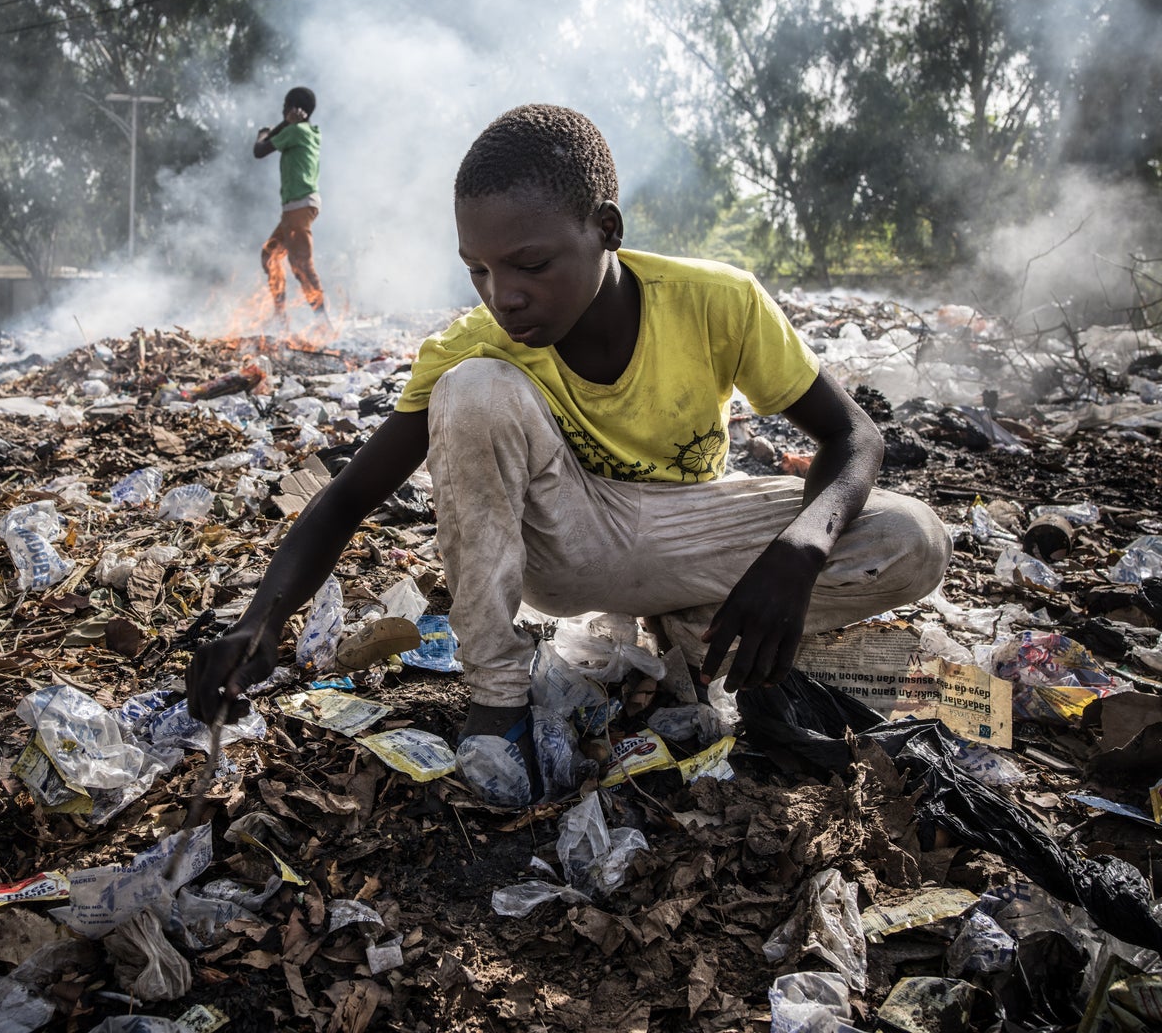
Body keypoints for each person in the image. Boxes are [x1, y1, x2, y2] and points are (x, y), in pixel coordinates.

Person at [189, 103, 951, 804]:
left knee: (911, 538)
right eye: (479, 270)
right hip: (571, 543)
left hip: (692, 532)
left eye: (530, 264)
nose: (503, 295)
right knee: (471, 390)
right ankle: (498, 697)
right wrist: (261, 622)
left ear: (606, 228)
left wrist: (800, 549)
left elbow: (853, 435)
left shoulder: (718, 302)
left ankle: (693, 635)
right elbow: (349, 496)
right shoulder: (477, 345)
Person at [254, 86, 328, 327]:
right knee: (270, 256)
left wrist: (268, 130)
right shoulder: (306, 131)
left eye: (284, 107)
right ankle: (280, 316)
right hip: (295, 208)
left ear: (290, 109)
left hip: (299, 205)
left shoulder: (297, 131)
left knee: (301, 265)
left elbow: (260, 150)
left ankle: (323, 323)